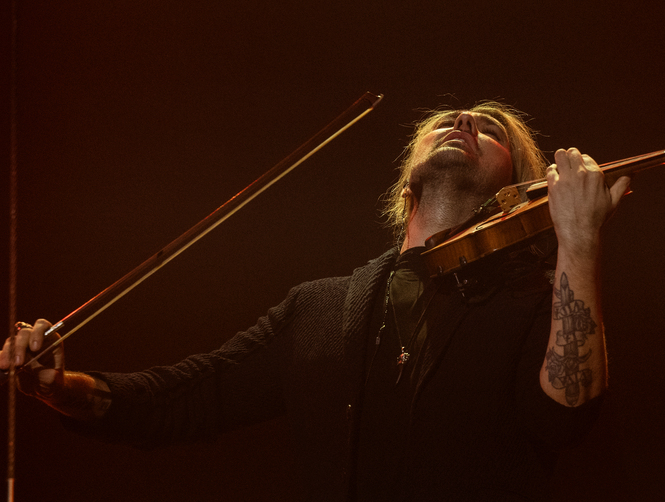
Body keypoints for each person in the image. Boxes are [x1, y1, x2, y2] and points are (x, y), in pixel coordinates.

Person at [1, 101, 630, 501]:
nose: (463, 122)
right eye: (446, 121)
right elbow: (189, 397)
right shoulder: (320, 308)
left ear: (519, 187)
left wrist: (577, 242)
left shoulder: (532, 297)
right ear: (407, 176)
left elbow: (566, 416)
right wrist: (64, 388)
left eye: (490, 130)